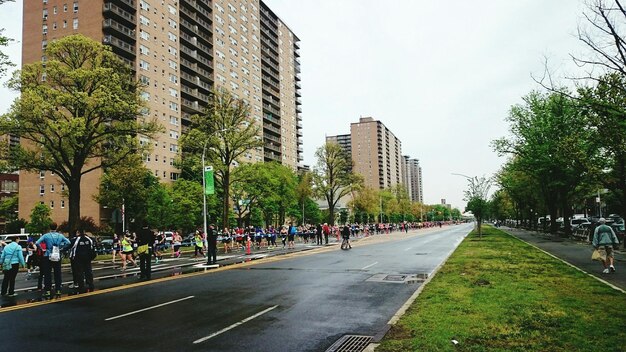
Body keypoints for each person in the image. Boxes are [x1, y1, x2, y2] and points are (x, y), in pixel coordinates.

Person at [36, 223, 70, 297]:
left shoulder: (46, 235)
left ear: (49, 227)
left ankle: (48, 290)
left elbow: (37, 242)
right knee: (57, 273)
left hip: (48, 255)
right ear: (56, 227)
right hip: (57, 255)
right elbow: (68, 242)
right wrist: (62, 248)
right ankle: (58, 290)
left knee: (47, 274)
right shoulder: (60, 235)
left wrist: (42, 249)